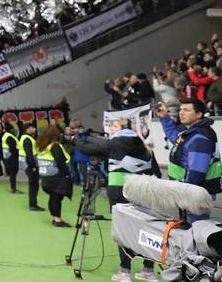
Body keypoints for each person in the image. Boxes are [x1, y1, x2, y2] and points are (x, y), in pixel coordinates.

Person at [76, 118, 157, 282]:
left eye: (114, 126)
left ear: (121, 128)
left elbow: (85, 148)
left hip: (120, 193)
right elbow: (157, 173)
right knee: (146, 229)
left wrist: (78, 137)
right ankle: (149, 270)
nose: (111, 129)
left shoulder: (113, 144)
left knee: (123, 231)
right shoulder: (145, 147)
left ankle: (125, 272)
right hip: (144, 192)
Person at [157, 98, 221, 223]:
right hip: (189, 194)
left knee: (196, 233)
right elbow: (174, 137)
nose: (181, 113)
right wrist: (165, 117)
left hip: (194, 197)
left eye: (186, 110)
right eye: (181, 109)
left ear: (198, 114)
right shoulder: (189, 132)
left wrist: (184, 197)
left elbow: (196, 175)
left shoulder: (199, 137)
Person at [35, 123, 73, 227]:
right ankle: (57, 220)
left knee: (53, 197)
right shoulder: (55, 146)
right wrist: (67, 174)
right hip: (56, 176)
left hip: (45, 175)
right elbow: (60, 162)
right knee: (56, 198)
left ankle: (54, 217)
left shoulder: (42, 146)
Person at [20, 123, 40, 210]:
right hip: (30, 165)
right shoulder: (27, 139)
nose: (35, 129)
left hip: (27, 164)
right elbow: (29, 155)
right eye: (33, 127)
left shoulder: (27, 138)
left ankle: (33, 203)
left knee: (34, 185)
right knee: (33, 185)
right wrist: (33, 166)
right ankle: (33, 204)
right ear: (28, 129)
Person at [0, 122, 21, 194]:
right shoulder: (9, 137)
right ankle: (13, 189)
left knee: (13, 173)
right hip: (12, 158)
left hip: (8, 157)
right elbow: (13, 148)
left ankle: (13, 188)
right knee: (13, 173)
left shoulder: (7, 135)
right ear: (11, 129)